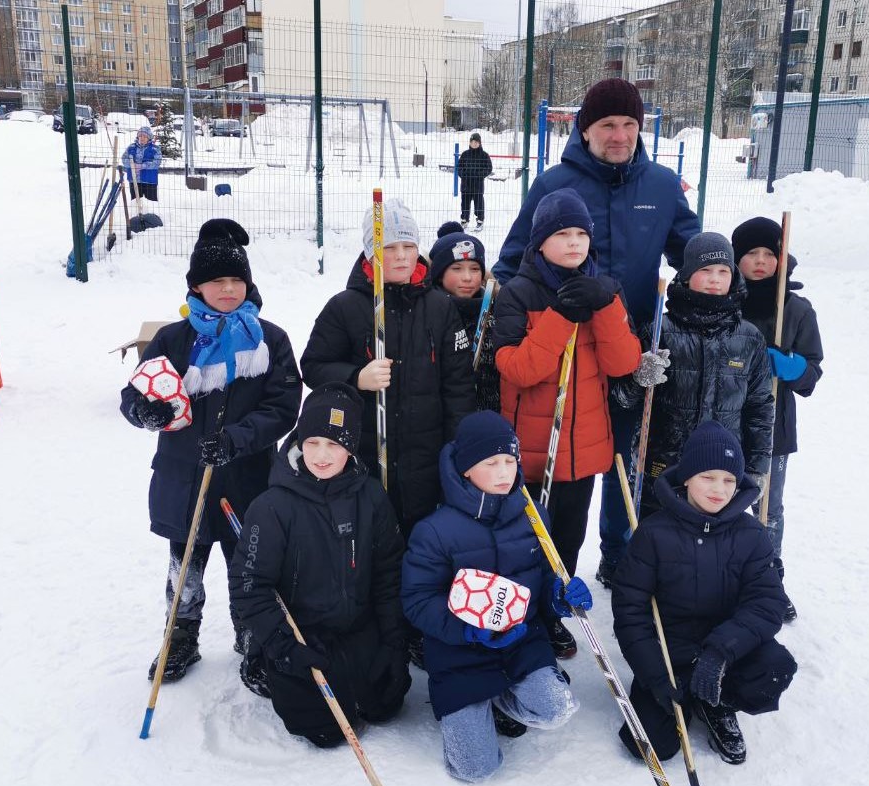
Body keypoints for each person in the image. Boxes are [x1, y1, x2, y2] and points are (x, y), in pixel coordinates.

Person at [491, 78, 702, 588]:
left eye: (631, 124)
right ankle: (544, 570)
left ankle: (620, 555)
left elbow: (692, 251)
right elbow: (513, 259)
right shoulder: (554, 183)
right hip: (562, 349)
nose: (620, 135)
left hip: (627, 348)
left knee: (624, 456)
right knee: (572, 458)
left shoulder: (661, 185)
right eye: (608, 124)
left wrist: (741, 276)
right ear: (585, 129)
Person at [120, 218, 302, 682]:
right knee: (186, 567)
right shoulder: (172, 340)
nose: (227, 289)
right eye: (216, 281)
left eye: (236, 280)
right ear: (195, 286)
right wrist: (147, 412)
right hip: (184, 480)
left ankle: (253, 633)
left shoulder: (270, 340)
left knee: (251, 563)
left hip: (248, 481)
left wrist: (236, 440)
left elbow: (283, 407)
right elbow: (135, 393)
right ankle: (180, 635)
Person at [491, 187, 641, 659]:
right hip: (532, 451)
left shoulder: (602, 290)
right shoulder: (517, 293)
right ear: (539, 244)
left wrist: (608, 305)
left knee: (568, 540)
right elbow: (517, 368)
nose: (574, 243)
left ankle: (552, 612)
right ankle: (520, 614)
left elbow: (624, 364)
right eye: (562, 234)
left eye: (581, 233)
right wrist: (559, 317)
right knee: (527, 541)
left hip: (582, 452)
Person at [402, 411, 590, 781]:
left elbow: (545, 577)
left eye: (510, 460)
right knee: (474, 769)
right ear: (466, 468)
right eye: (492, 463)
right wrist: (465, 629)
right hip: (461, 648)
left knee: (557, 709)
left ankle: (504, 698)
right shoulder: (435, 530)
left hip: (520, 639)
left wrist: (560, 597)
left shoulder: (533, 515)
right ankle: (477, 704)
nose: (505, 472)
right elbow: (417, 599)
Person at [230, 383, 411, 747]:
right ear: (299, 442)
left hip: (358, 627)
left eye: (334, 444)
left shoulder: (371, 496)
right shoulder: (271, 508)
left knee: (385, 706)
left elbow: (389, 573)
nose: (322, 455)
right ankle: (264, 662)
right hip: (302, 634)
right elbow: (249, 588)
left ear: (351, 447)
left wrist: (394, 642)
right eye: (312, 442)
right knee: (325, 732)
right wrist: (285, 648)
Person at [611, 421, 796, 765]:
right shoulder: (653, 534)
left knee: (774, 667)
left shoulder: (751, 535)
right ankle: (679, 694)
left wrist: (720, 653)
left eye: (729, 480)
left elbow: (767, 602)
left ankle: (718, 702)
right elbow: (630, 612)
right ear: (687, 477)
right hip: (670, 655)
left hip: (727, 653)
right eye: (708, 477)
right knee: (650, 747)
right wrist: (655, 678)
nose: (719, 489)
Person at [300, 197, 475, 533]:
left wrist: (454, 450)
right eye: (389, 246)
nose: (400, 255)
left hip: (425, 459)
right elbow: (313, 366)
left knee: (420, 548)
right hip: (366, 454)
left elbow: (458, 386)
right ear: (370, 251)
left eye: (408, 245)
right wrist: (355, 377)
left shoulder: (439, 308)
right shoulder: (345, 307)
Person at [608, 231, 774, 538]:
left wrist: (758, 465)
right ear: (687, 275)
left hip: (722, 472)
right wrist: (638, 378)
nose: (715, 279)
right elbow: (621, 399)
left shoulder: (749, 338)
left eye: (723, 271)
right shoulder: (661, 330)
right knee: (660, 548)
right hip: (664, 467)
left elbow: (760, 407)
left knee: (715, 553)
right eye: (705, 270)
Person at [732, 216, 825, 621]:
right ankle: (721, 577)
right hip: (723, 420)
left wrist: (792, 367)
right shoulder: (725, 301)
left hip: (774, 428)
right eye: (750, 253)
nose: (759, 261)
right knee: (721, 499)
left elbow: (811, 375)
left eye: (769, 253)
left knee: (767, 506)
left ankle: (767, 582)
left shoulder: (796, 309)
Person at [427, 221, 499, 412]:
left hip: (490, 416)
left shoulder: (498, 308)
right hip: (441, 416)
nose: (467, 277)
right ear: (440, 274)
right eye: (457, 268)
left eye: (475, 269)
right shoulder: (427, 310)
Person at [457, 132, 493, 229]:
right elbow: (459, 168)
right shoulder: (465, 154)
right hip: (466, 185)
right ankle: (464, 221)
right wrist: (464, 175)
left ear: (480, 143)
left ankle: (480, 221)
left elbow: (489, 168)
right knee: (464, 204)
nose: (474, 143)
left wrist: (479, 175)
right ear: (469, 143)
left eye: (476, 142)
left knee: (479, 204)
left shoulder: (484, 155)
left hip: (478, 185)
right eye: (472, 142)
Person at [122, 125, 162, 203]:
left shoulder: (155, 149)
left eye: (145, 136)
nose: (142, 138)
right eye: (140, 135)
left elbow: (157, 163)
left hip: (149, 181)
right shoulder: (131, 147)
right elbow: (124, 159)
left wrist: (142, 166)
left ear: (149, 138)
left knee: (150, 204)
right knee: (135, 203)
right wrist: (132, 166)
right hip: (134, 180)